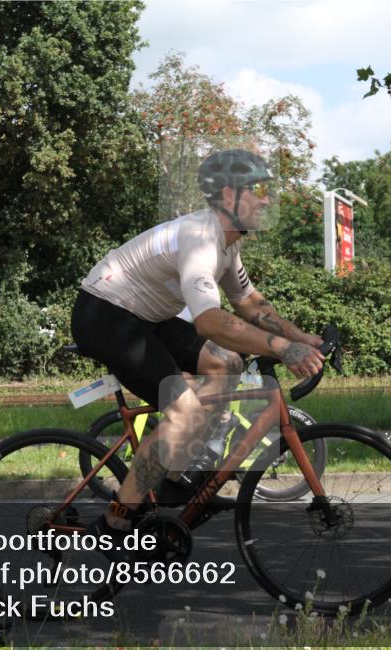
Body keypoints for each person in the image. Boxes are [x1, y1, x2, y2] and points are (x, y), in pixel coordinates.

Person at [70, 149, 324, 541]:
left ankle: (176, 478)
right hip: (106, 314)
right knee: (185, 411)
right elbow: (208, 321)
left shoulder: (227, 245)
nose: (266, 199)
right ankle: (116, 520)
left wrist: (303, 339)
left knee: (226, 363)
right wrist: (282, 348)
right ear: (228, 197)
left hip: (143, 317)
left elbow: (250, 303)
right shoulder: (202, 238)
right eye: (256, 190)